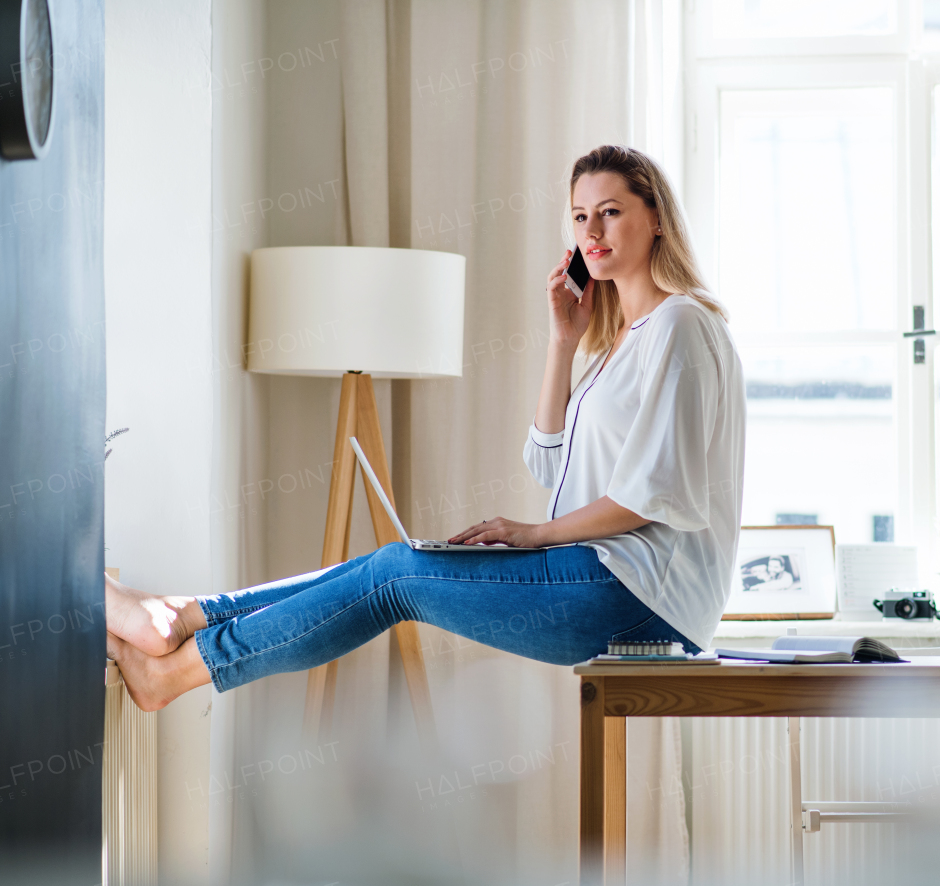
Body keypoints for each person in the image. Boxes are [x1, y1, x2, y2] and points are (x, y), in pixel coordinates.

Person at [105, 144, 747, 712]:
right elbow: (555, 467)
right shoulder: (619, 344)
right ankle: (183, 618)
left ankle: (177, 666)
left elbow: (644, 498)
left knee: (395, 576)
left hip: (641, 598)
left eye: (610, 211)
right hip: (605, 577)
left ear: (656, 217)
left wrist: (531, 534)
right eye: (580, 217)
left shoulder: (680, 326)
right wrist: (563, 343)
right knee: (390, 568)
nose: (591, 231)